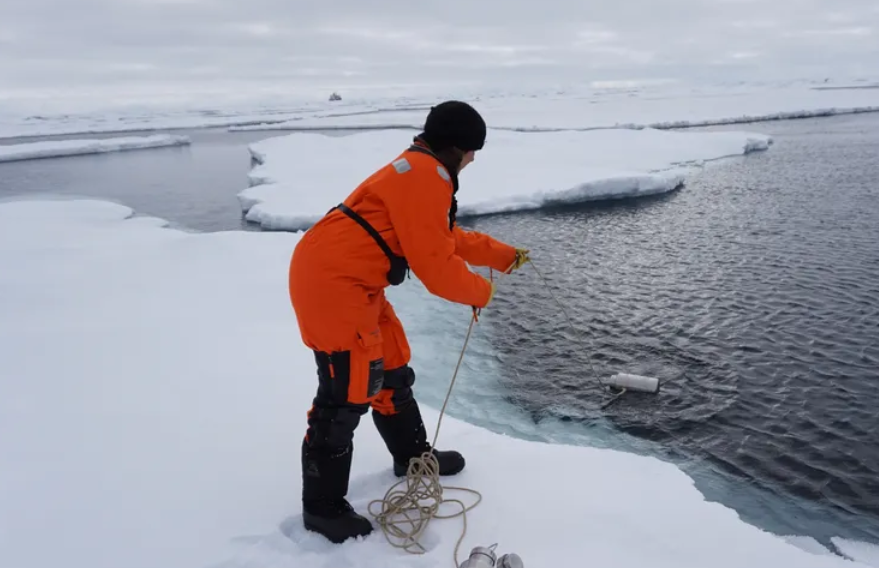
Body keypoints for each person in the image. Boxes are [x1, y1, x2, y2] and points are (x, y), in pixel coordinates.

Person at [288, 100, 530, 544]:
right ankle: (322, 508)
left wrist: (502, 256)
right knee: (344, 395)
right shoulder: (424, 177)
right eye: (473, 149)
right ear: (456, 146)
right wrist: (482, 291)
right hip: (333, 283)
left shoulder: (422, 170)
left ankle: (412, 456)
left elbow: (443, 237)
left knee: (392, 370)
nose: (474, 158)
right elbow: (436, 269)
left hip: (356, 281)